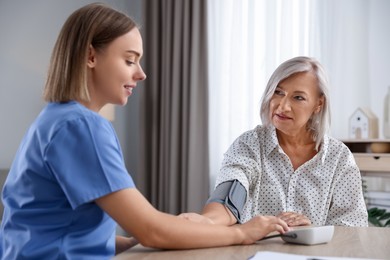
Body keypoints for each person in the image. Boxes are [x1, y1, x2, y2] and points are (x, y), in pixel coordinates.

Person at [0, 3, 289, 259]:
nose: (141, 73)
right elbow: (153, 230)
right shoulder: (82, 126)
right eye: (129, 60)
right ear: (90, 56)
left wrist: (126, 242)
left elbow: (46, 224)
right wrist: (244, 233)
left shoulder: (53, 119)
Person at [199, 56, 368, 228]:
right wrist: (206, 222)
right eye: (278, 92)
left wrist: (312, 232)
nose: (283, 106)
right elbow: (228, 197)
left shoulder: (339, 158)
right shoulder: (249, 145)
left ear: (319, 104)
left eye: (298, 97)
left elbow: (352, 227)